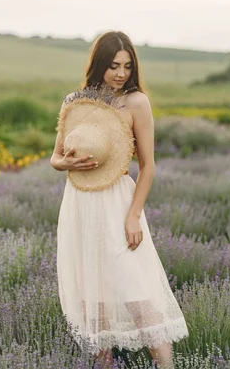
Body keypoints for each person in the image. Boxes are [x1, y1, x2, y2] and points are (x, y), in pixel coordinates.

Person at [50, 31, 189, 369]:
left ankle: (165, 367)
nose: (121, 74)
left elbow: (148, 165)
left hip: (118, 202)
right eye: (114, 66)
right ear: (99, 64)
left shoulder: (136, 102)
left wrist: (133, 215)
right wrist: (66, 163)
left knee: (136, 286)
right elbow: (55, 157)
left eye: (127, 66)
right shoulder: (74, 101)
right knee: (93, 294)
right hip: (80, 203)